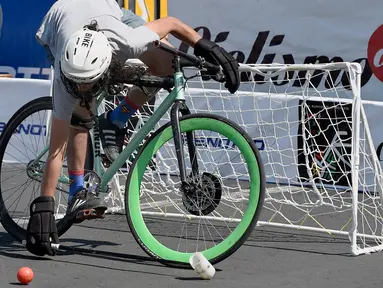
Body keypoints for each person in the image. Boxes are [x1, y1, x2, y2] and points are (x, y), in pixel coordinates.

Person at [25, 0, 239, 257]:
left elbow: (171, 23)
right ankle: (77, 189)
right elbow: (56, 152)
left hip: (111, 17)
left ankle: (115, 119)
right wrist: (44, 206)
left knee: (167, 63)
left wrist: (206, 46)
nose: (81, 88)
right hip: (60, 25)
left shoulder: (127, 41)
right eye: (77, 83)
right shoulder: (65, 76)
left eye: (88, 82)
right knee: (82, 112)